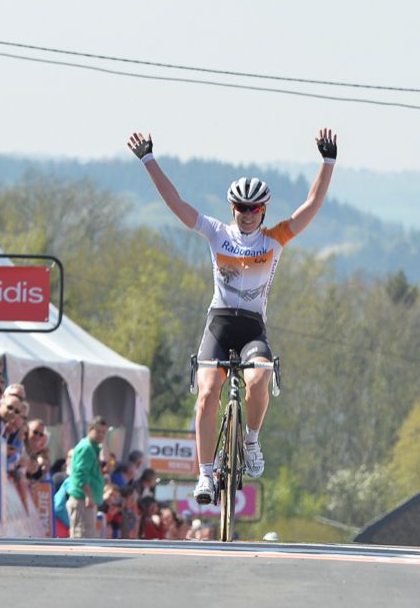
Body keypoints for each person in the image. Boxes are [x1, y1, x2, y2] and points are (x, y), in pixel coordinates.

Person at [127, 128, 338, 504]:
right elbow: (175, 202)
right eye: (240, 208)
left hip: (253, 327)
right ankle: (206, 475)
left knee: (261, 378)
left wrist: (328, 162)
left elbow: (311, 206)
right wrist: (148, 160)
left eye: (253, 209)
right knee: (208, 393)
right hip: (220, 324)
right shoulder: (216, 233)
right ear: (232, 210)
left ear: (263, 211)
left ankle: (251, 440)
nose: (246, 215)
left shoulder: (274, 239)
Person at [66, 416, 109, 538]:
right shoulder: (86, 448)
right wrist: (88, 496)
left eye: (104, 432)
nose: (101, 435)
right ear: (90, 429)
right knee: (82, 536)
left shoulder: (93, 447)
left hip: (86, 500)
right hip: (82, 500)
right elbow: (81, 474)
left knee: (87, 536)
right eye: (98, 431)